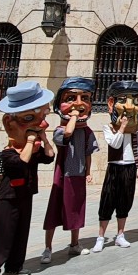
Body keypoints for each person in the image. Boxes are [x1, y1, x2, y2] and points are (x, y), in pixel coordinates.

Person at [0, 81, 55, 275]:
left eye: (42, 118)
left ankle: (14, 266)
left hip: (25, 193)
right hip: (9, 196)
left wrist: (43, 139)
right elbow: (20, 162)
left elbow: (49, 157)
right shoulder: (9, 152)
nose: (41, 124)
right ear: (9, 122)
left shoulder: (31, 149)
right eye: (30, 119)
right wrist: (31, 141)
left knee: (22, 231)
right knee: (3, 233)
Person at [42, 77, 98, 261]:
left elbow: (88, 153)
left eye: (85, 98)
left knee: (76, 210)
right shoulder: (59, 129)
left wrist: (88, 172)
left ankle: (75, 243)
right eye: (71, 98)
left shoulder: (87, 132)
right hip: (62, 176)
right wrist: (73, 116)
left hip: (78, 175)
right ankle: (48, 248)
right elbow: (67, 134)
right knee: (54, 210)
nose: (79, 104)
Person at [94, 81, 138, 253]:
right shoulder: (108, 127)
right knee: (107, 201)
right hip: (114, 167)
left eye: (134, 101)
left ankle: (120, 234)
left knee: (125, 200)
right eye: (123, 100)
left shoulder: (136, 129)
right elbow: (115, 144)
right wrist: (122, 127)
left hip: (130, 167)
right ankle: (101, 237)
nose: (129, 107)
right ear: (111, 104)